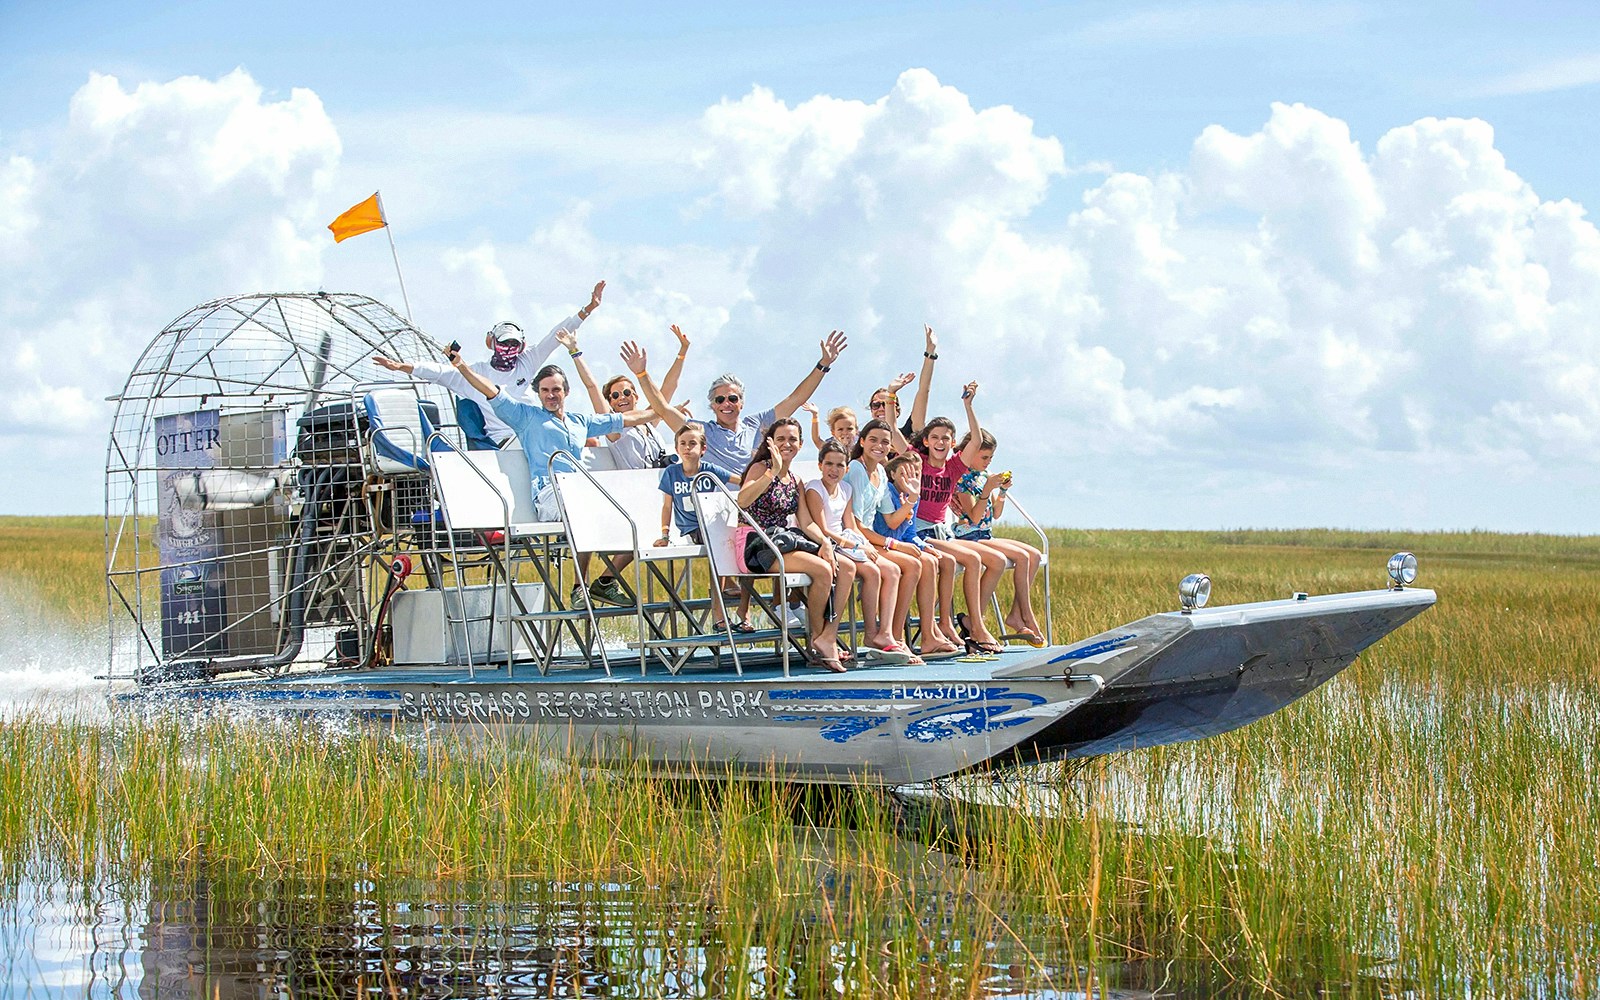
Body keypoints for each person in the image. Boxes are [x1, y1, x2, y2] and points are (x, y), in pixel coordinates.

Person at [444, 345, 657, 609]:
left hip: (580, 492)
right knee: (584, 507)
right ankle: (580, 587)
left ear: (566, 392)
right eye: (545, 390)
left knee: (634, 512)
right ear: (538, 393)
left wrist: (660, 405)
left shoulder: (581, 421)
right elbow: (491, 390)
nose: (551, 395)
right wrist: (462, 366)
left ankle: (604, 582)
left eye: (556, 389)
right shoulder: (525, 416)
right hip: (549, 495)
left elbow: (630, 417)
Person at [373, 281, 607, 449]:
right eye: (504, 343)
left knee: (592, 442)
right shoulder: (475, 373)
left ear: (522, 346)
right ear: (491, 343)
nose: (509, 350)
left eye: (514, 344)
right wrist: (400, 366)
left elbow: (555, 335)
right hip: (507, 442)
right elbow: (437, 372)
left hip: (536, 431)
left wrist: (589, 308)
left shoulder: (527, 362)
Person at [628, 330, 850, 474]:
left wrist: (823, 364)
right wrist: (641, 375)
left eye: (733, 398)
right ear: (712, 405)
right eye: (720, 399)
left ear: (741, 403)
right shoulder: (701, 430)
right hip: (718, 504)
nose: (727, 403)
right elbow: (663, 409)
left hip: (754, 501)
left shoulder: (758, 424)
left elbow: (796, 398)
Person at [736, 419, 845, 673]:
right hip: (755, 544)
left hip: (779, 541)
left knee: (827, 565)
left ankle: (819, 640)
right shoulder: (760, 469)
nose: (787, 444)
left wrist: (826, 543)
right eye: (781, 439)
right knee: (821, 571)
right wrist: (771, 472)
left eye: (793, 439)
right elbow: (742, 500)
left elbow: (806, 523)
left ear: (801, 444)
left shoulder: (796, 480)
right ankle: (820, 639)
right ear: (771, 442)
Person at [910, 382, 1007, 655]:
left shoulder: (953, 466)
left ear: (952, 444)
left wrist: (968, 406)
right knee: (968, 560)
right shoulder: (917, 460)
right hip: (919, 531)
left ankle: (973, 625)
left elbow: (975, 441)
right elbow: (897, 433)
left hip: (943, 532)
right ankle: (964, 625)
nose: (941, 443)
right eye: (936, 437)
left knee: (980, 560)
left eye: (946, 439)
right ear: (927, 441)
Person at [805, 441, 913, 664]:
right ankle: (829, 633)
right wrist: (854, 545)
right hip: (827, 543)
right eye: (829, 464)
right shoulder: (815, 488)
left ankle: (873, 634)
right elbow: (823, 528)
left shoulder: (846, 489)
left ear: (846, 469)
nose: (833, 470)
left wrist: (865, 545)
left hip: (847, 542)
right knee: (851, 567)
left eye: (839, 465)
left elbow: (850, 525)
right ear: (820, 465)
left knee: (879, 570)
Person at [953, 429, 1045, 646]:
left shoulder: (985, 477)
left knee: (1032, 555)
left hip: (986, 535)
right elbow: (974, 517)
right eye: (984, 457)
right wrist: (987, 489)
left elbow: (995, 513)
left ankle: (1016, 614)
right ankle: (1025, 617)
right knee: (1020, 557)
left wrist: (1001, 491)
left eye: (991, 458)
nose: (988, 462)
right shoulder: (962, 480)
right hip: (969, 537)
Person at [871, 450, 964, 657]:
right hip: (881, 543)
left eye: (916, 473)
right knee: (917, 564)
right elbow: (888, 526)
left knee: (931, 560)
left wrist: (922, 546)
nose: (912, 477)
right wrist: (910, 500)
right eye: (905, 473)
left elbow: (911, 533)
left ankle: (929, 633)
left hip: (899, 543)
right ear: (892, 474)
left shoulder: (913, 493)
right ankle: (897, 635)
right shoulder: (889, 492)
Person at [562, 323, 692, 470]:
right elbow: (592, 387)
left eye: (626, 393)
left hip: (663, 485)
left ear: (636, 396)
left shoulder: (649, 420)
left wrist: (683, 351)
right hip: (635, 487)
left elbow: (669, 387)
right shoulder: (612, 427)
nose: (621, 398)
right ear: (610, 403)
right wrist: (574, 351)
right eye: (615, 395)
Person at [654, 423, 743, 632]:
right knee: (717, 544)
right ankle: (719, 611)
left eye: (692, 443)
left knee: (732, 538)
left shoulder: (709, 470)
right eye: (682, 444)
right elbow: (667, 506)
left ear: (703, 449)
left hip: (714, 526)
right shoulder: (671, 473)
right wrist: (665, 534)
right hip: (693, 529)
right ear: (676, 448)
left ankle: (734, 591)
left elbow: (740, 481)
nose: (687, 448)